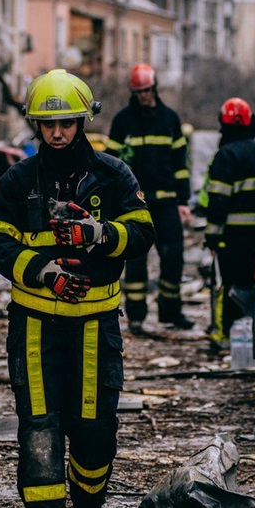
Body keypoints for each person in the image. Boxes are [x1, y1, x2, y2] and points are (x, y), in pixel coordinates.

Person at [0, 68, 155, 508]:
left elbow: (142, 232)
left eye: (67, 124)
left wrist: (99, 234)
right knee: (39, 425)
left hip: (97, 329)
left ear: (82, 121)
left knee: (95, 427)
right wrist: (44, 272)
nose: (57, 134)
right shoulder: (18, 180)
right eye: (48, 126)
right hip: (35, 327)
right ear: (36, 126)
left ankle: (88, 497)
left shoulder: (114, 175)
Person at [106, 63, 192, 331]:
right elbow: (111, 165)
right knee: (135, 261)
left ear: (154, 88)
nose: (144, 95)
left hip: (166, 202)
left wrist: (183, 201)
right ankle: (137, 317)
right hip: (135, 204)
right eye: (139, 91)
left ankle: (170, 312)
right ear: (134, 91)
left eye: (147, 90)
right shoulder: (123, 122)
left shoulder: (170, 120)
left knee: (173, 257)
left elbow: (180, 164)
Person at [203, 98, 255, 350]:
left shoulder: (226, 155)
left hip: (231, 238)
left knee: (228, 287)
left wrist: (212, 237)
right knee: (254, 288)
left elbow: (218, 201)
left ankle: (223, 337)